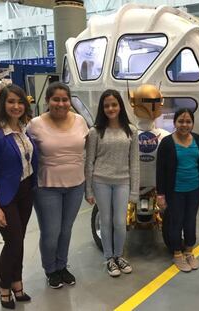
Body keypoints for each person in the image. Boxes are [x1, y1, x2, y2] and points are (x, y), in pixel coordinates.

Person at [0, 84, 37, 309]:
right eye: (11, 101)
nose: (16, 106)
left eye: (20, 102)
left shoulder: (24, 129)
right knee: (12, 242)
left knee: (19, 242)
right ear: (3, 105)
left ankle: (17, 282)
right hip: (4, 197)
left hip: (24, 191)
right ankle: (4, 287)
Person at [27, 82, 88, 288]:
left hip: (76, 185)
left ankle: (62, 265)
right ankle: (50, 269)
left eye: (65, 99)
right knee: (51, 232)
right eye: (56, 99)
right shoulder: (35, 124)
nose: (61, 103)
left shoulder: (80, 121)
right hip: (47, 186)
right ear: (47, 101)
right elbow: (24, 154)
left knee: (66, 230)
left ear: (70, 101)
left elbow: (86, 150)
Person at [85, 89, 139, 277]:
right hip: (100, 181)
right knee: (106, 221)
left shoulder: (131, 130)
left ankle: (119, 255)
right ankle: (109, 258)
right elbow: (89, 161)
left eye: (114, 104)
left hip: (123, 182)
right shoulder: (95, 132)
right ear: (102, 108)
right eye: (106, 105)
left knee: (119, 222)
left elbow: (134, 163)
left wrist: (134, 191)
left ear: (120, 106)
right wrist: (89, 190)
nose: (110, 108)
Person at [156, 108, 199, 272]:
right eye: (181, 121)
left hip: (194, 189)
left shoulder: (198, 140)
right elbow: (160, 170)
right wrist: (161, 194)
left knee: (191, 221)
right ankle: (177, 253)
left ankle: (189, 251)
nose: (184, 125)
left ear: (192, 123)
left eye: (188, 122)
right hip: (175, 191)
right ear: (174, 123)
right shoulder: (167, 143)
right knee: (175, 222)